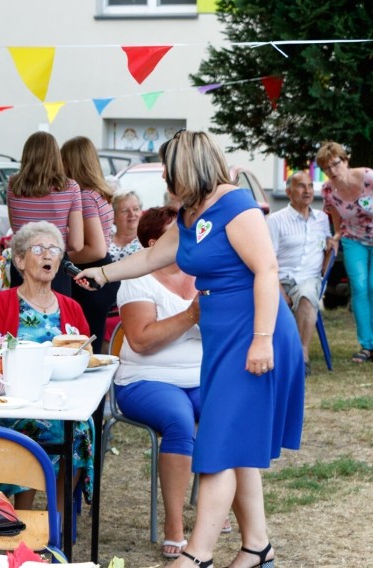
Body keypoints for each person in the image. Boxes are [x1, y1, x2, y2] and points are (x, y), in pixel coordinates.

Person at [76, 130, 304, 568]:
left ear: (189, 167)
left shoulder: (236, 206)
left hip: (255, 335)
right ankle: (258, 547)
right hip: (223, 340)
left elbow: (267, 270)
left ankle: (197, 556)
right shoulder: (190, 215)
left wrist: (260, 340)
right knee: (235, 445)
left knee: (218, 444)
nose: (164, 176)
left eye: (169, 168)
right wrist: (103, 275)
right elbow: (149, 258)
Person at [0, 221, 93, 512]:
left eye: (54, 249)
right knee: (24, 429)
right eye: (38, 249)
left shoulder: (71, 307)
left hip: (61, 400)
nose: (47, 255)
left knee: (81, 429)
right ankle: (22, 517)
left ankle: (58, 521)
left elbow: (86, 353)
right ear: (19, 261)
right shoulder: (3, 302)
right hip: (15, 401)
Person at [113, 206, 203, 559]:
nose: (189, 237)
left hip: (200, 376)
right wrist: (192, 315)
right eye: (177, 232)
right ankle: (175, 525)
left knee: (228, 412)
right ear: (155, 243)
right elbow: (141, 340)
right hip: (145, 379)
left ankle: (213, 505)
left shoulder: (202, 272)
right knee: (180, 420)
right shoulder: (138, 277)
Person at [315, 141, 373, 365]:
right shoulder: (328, 190)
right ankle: (366, 346)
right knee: (360, 287)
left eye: (335, 164)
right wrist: (336, 236)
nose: (332, 171)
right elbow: (335, 213)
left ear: (345, 161)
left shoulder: (371, 179)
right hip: (353, 239)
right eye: (326, 168)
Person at [267, 171, 336, 375]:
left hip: (309, 279)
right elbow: (268, 260)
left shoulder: (322, 219)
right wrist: (279, 290)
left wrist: (331, 249)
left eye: (309, 186)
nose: (307, 191)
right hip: (280, 280)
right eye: (301, 186)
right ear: (288, 192)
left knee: (307, 295)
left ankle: (302, 356)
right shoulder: (275, 220)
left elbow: (328, 249)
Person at [61, 136, 119, 352]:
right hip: (102, 272)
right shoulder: (98, 194)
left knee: (84, 345)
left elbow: (96, 248)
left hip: (90, 275)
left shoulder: (85, 198)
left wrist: (63, 259)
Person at [6, 131, 83, 296]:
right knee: (55, 317)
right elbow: (77, 243)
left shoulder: (13, 184)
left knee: (21, 317)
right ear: (56, 156)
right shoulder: (70, 187)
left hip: (22, 263)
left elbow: (16, 229)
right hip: (54, 263)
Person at [108, 190, 144, 261]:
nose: (132, 214)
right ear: (113, 216)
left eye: (136, 209)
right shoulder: (106, 241)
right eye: (125, 211)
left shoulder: (149, 238)